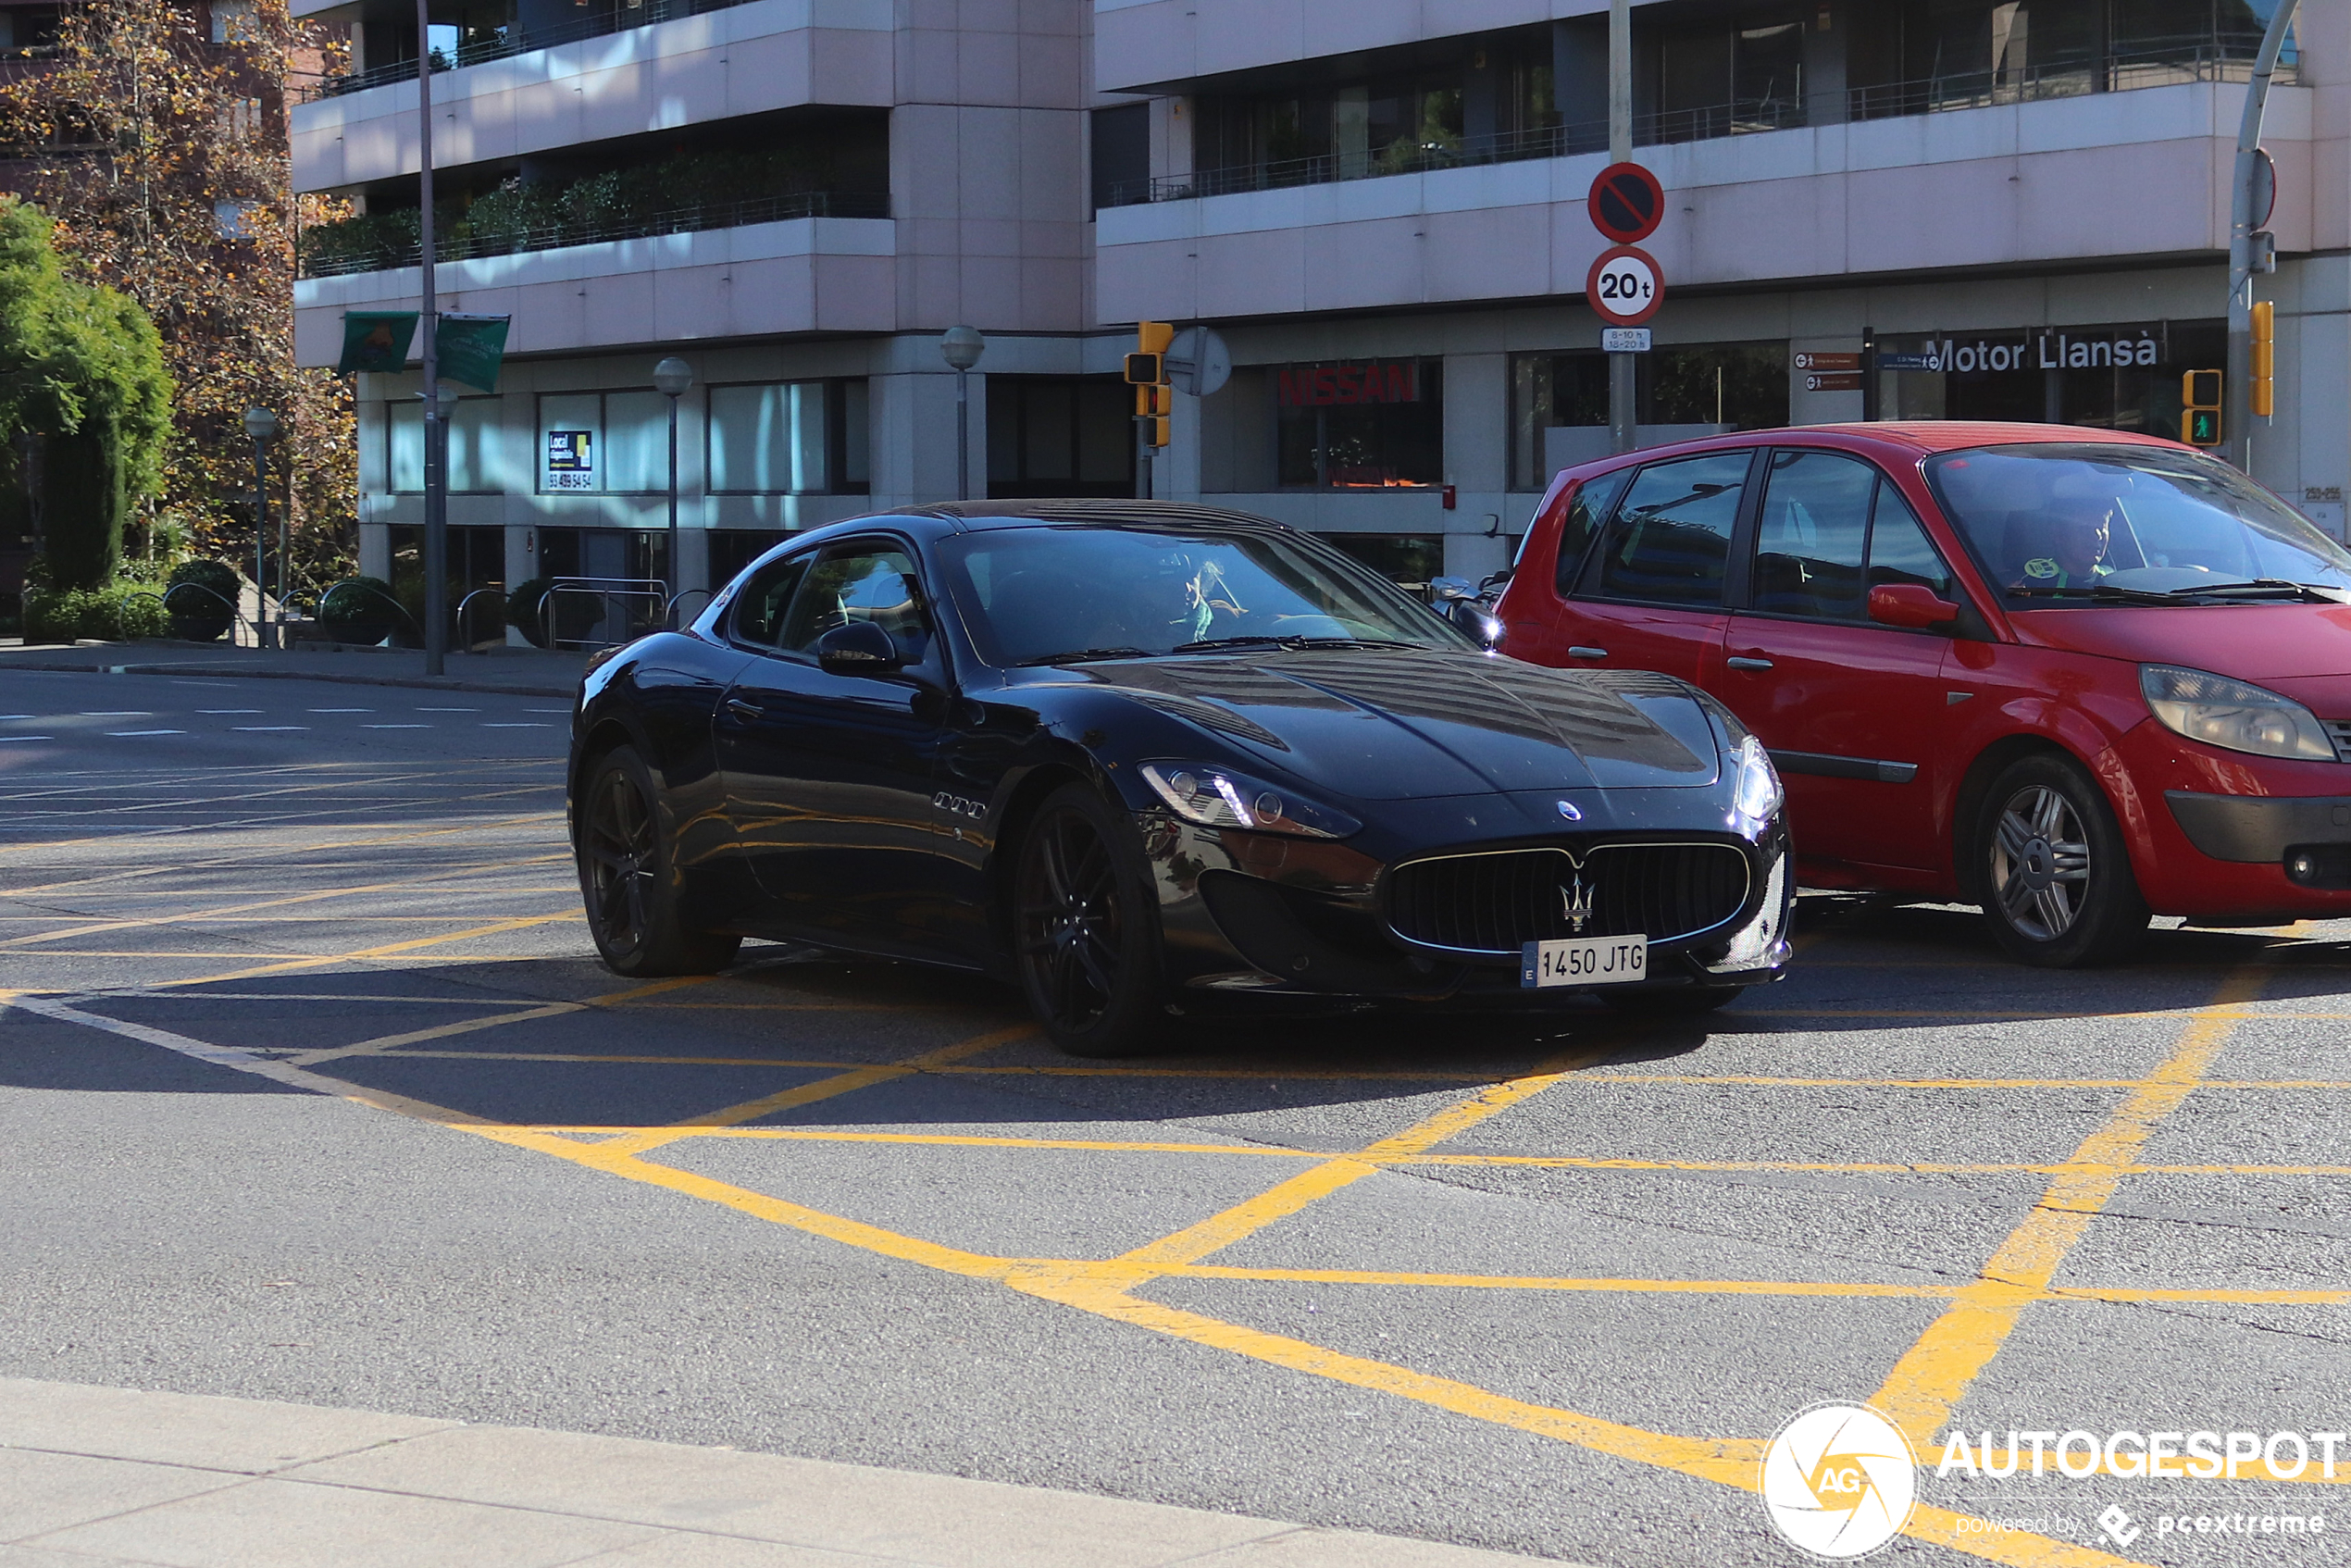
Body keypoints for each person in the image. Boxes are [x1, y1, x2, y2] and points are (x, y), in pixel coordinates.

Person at [2011, 500, 2114, 590]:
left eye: (2102, 528)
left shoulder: (2115, 580)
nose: (2097, 536)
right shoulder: (2031, 586)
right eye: (2084, 528)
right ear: (2057, 533)